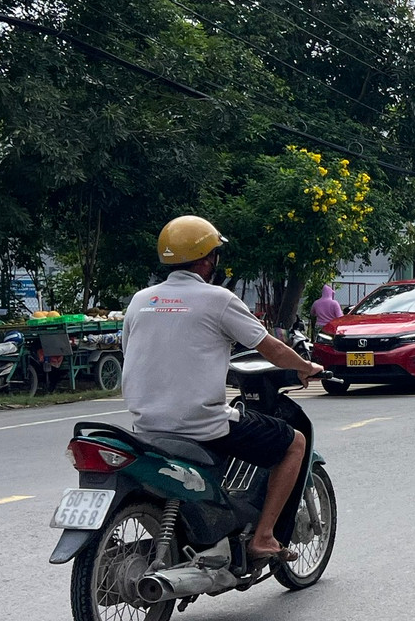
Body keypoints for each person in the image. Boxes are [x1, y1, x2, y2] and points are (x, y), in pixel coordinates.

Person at [122, 216, 325, 565]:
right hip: (200, 425)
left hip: (146, 426)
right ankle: (263, 537)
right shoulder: (218, 299)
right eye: (214, 254)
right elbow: (271, 348)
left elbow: (135, 352)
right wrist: (306, 367)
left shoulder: (141, 300)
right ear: (206, 260)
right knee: (294, 442)